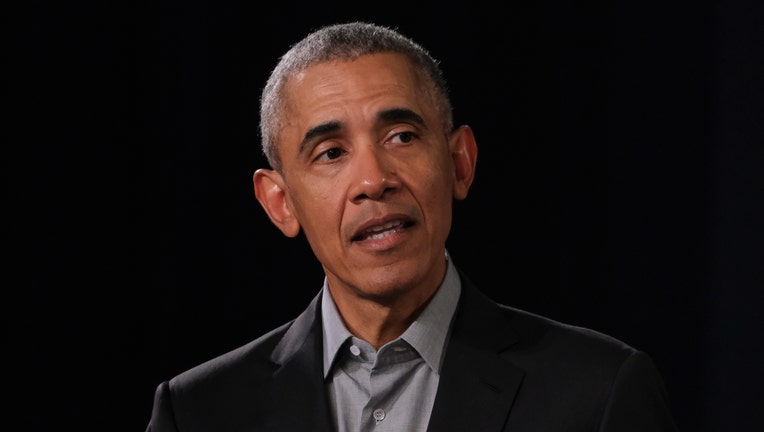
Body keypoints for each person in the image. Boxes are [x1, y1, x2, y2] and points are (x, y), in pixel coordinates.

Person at [145, 21, 678, 431]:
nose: (373, 180)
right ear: (280, 202)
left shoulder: (600, 393)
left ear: (460, 163)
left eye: (401, 136)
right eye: (331, 152)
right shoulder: (198, 412)